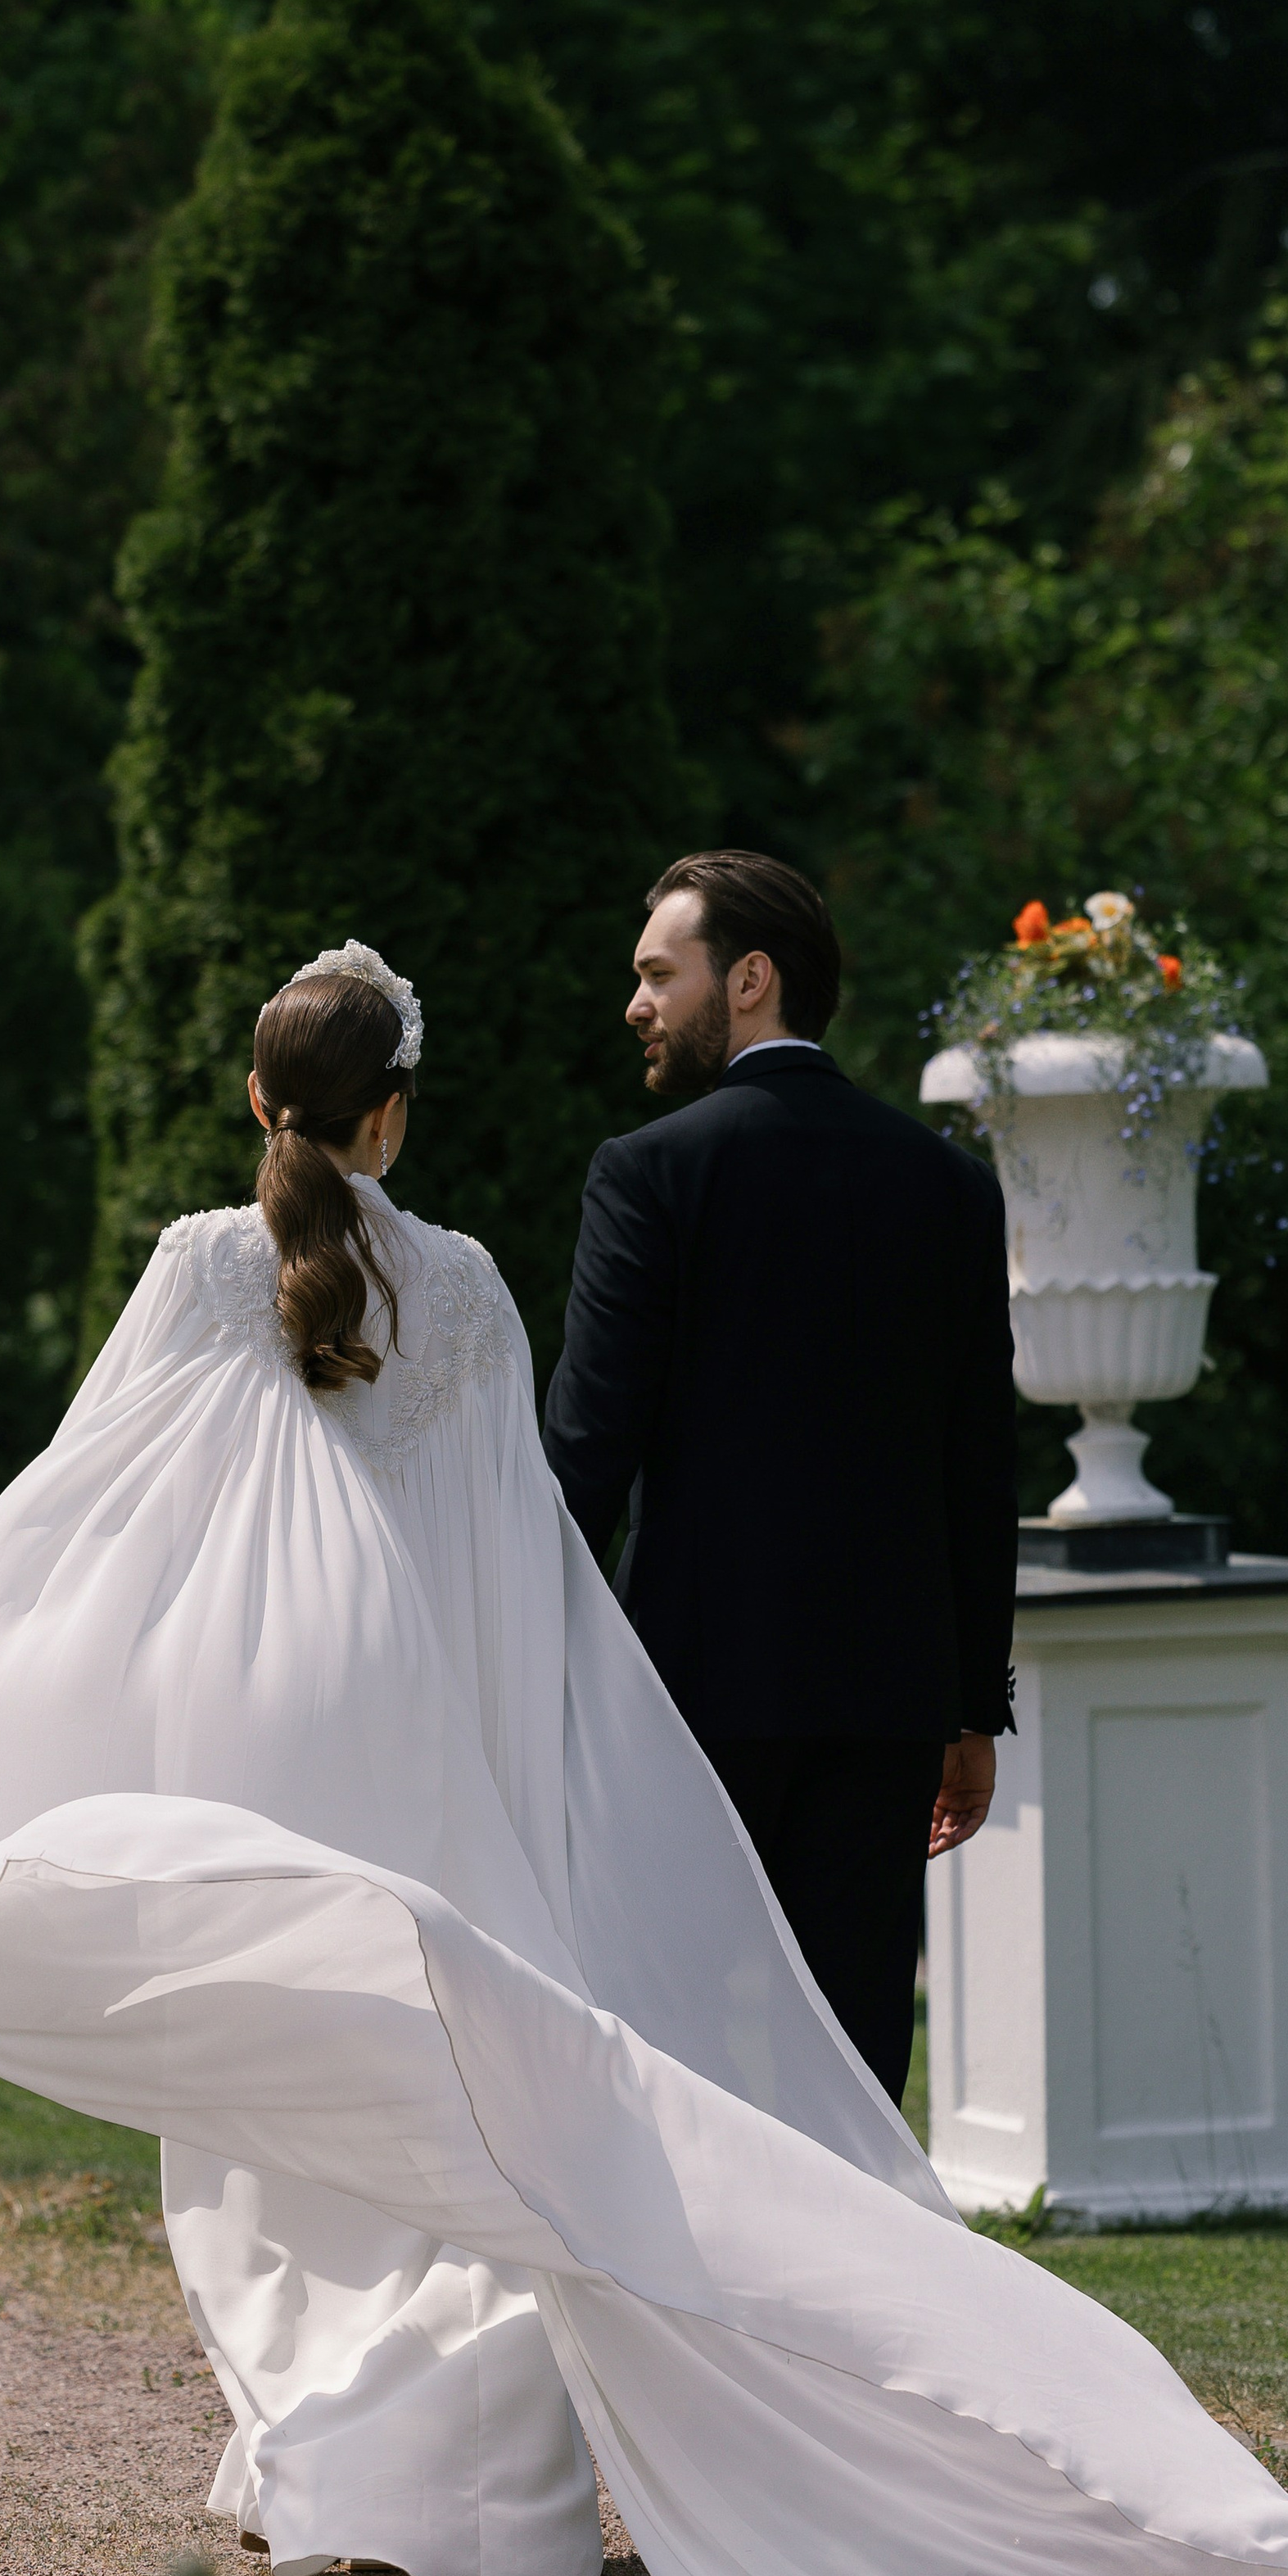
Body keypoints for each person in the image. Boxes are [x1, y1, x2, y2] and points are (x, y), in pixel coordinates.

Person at [0, 937, 1288, 2576]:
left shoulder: (200, 1261)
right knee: (456, 2075)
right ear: (391, 1117)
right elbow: (524, 1554)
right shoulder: (469, 1286)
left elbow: (81, 1492)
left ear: (259, 1100)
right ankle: (463, 2502)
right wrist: (554, 1747)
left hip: (255, 1726)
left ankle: (333, 2464)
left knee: (274, 2094)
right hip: (410, 1726)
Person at [543, 851, 1015, 2107]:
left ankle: (698, 2302)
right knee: (855, 2058)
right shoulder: (952, 1187)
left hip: (693, 1691)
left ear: (748, 980)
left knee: (676, 2041)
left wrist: (524, 1659)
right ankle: (856, 2299)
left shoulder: (647, 1172)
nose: (635, 1003)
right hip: (890, 1696)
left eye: (658, 972)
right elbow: (980, 1461)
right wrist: (972, 1708)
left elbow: (589, 1449)